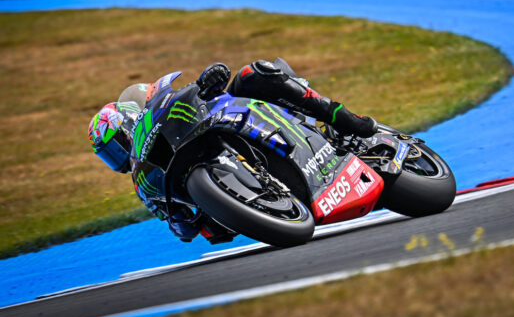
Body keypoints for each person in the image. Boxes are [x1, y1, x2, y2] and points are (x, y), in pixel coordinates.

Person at [88, 58, 377, 242]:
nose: (118, 155)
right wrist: (186, 218)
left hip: (245, 116)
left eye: (117, 144)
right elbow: (182, 231)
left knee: (253, 74)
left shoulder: (163, 112)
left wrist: (209, 81)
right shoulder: (145, 184)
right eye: (109, 155)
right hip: (240, 213)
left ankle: (347, 120)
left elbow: (206, 90)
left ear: (127, 121)